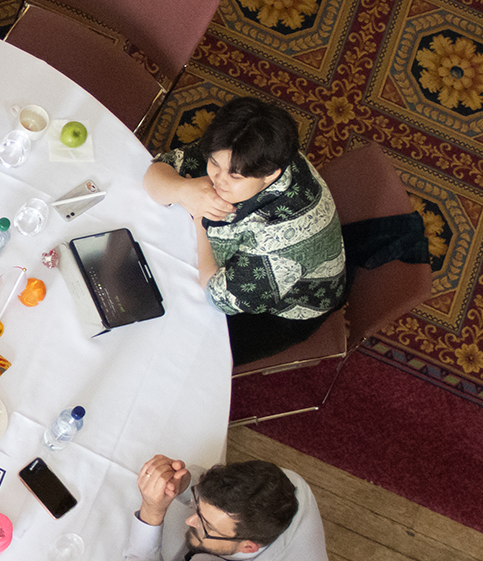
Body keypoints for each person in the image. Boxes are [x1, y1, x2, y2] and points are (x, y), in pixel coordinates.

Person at [141, 97, 347, 365]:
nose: (218, 179)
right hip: (244, 256)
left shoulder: (283, 240)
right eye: (214, 164)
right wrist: (182, 189)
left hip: (281, 312)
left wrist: (201, 219)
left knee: (175, 353)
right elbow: (156, 172)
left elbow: (219, 296)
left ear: (270, 174)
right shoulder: (243, 151)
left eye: (235, 177)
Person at [123, 457, 331, 561]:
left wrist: (151, 513)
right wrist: (187, 485)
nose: (190, 521)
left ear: (248, 547)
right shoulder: (292, 486)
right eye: (199, 507)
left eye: (207, 525)